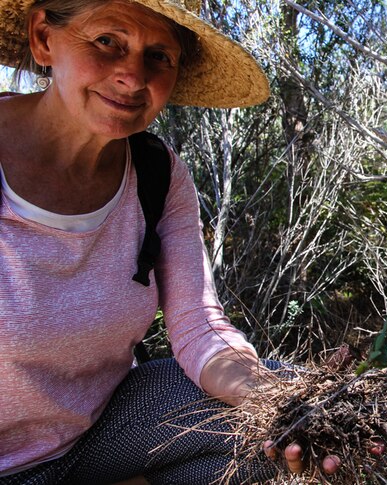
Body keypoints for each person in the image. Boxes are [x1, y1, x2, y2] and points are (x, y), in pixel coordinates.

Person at [0, 0, 340, 482]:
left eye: (158, 56)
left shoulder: (157, 174)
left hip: (95, 438)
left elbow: (199, 324)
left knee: (271, 430)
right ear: (43, 38)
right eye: (107, 42)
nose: (133, 77)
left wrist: (279, 403)